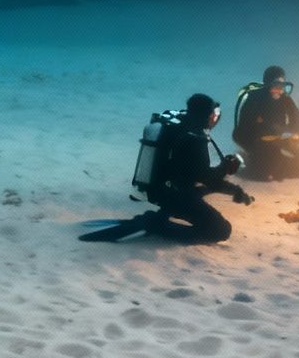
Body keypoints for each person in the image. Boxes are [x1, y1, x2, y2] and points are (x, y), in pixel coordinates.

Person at [84, 93, 252, 245]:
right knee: (220, 231)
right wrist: (226, 168)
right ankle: (156, 225)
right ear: (205, 115)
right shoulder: (194, 139)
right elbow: (206, 178)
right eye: (213, 115)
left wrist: (235, 191)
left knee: (193, 192)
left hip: (164, 188)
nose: (215, 119)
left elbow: (197, 176)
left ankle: (161, 216)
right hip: (175, 195)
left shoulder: (183, 125)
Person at [233, 64, 299, 180]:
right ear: (267, 85)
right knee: (264, 175)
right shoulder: (254, 100)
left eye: (282, 86)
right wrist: (264, 136)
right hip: (256, 141)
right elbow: (242, 131)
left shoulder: (285, 99)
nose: (279, 90)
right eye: (275, 85)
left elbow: (297, 123)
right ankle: (247, 161)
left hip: (280, 139)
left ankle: (276, 166)